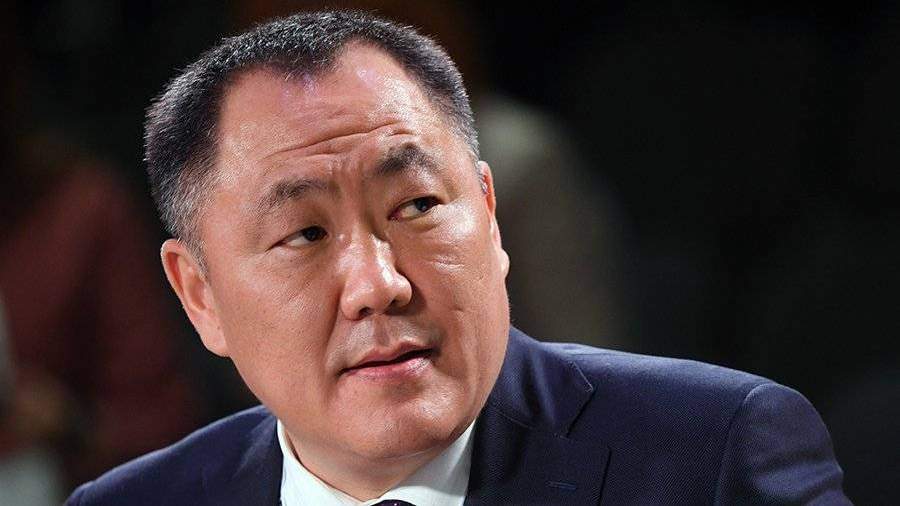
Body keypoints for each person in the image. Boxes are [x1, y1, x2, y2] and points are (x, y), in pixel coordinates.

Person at [65, 10, 849, 505]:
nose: (378, 285)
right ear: (200, 295)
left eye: (417, 207)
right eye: (304, 235)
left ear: (489, 214)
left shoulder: (714, 456)